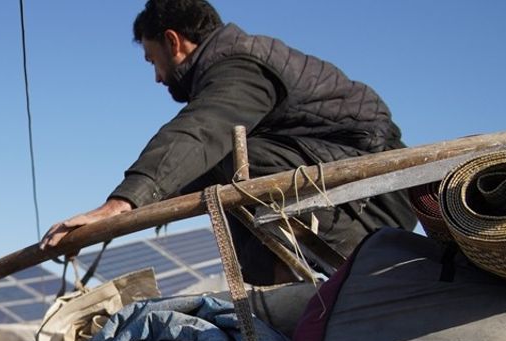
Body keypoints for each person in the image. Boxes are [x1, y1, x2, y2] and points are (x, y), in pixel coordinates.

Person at [41, 0, 417, 285]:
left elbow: (202, 132)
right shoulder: (236, 61)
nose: (157, 77)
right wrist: (103, 231)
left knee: (234, 161)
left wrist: (121, 205)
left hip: (369, 198)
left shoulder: (241, 64)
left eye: (152, 59)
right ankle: (273, 301)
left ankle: (282, 300)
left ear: (173, 42)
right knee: (225, 166)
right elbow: (192, 163)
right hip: (343, 185)